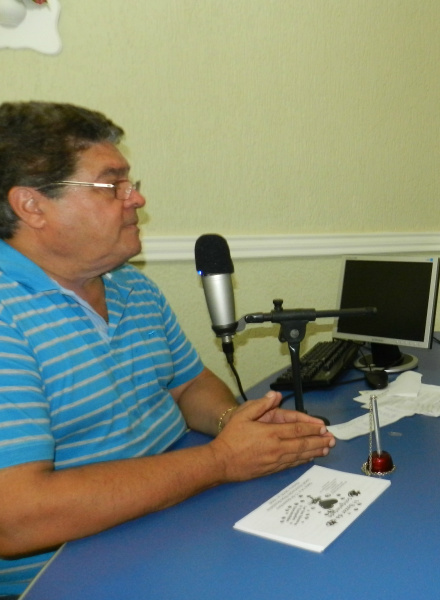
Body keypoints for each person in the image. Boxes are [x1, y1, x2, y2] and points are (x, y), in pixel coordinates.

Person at [0, 101, 336, 597]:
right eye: (111, 185)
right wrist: (221, 461)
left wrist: (234, 425)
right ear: (32, 206)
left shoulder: (132, 288)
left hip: (180, 514)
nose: (135, 199)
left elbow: (189, 385)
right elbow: (18, 519)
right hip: (73, 572)